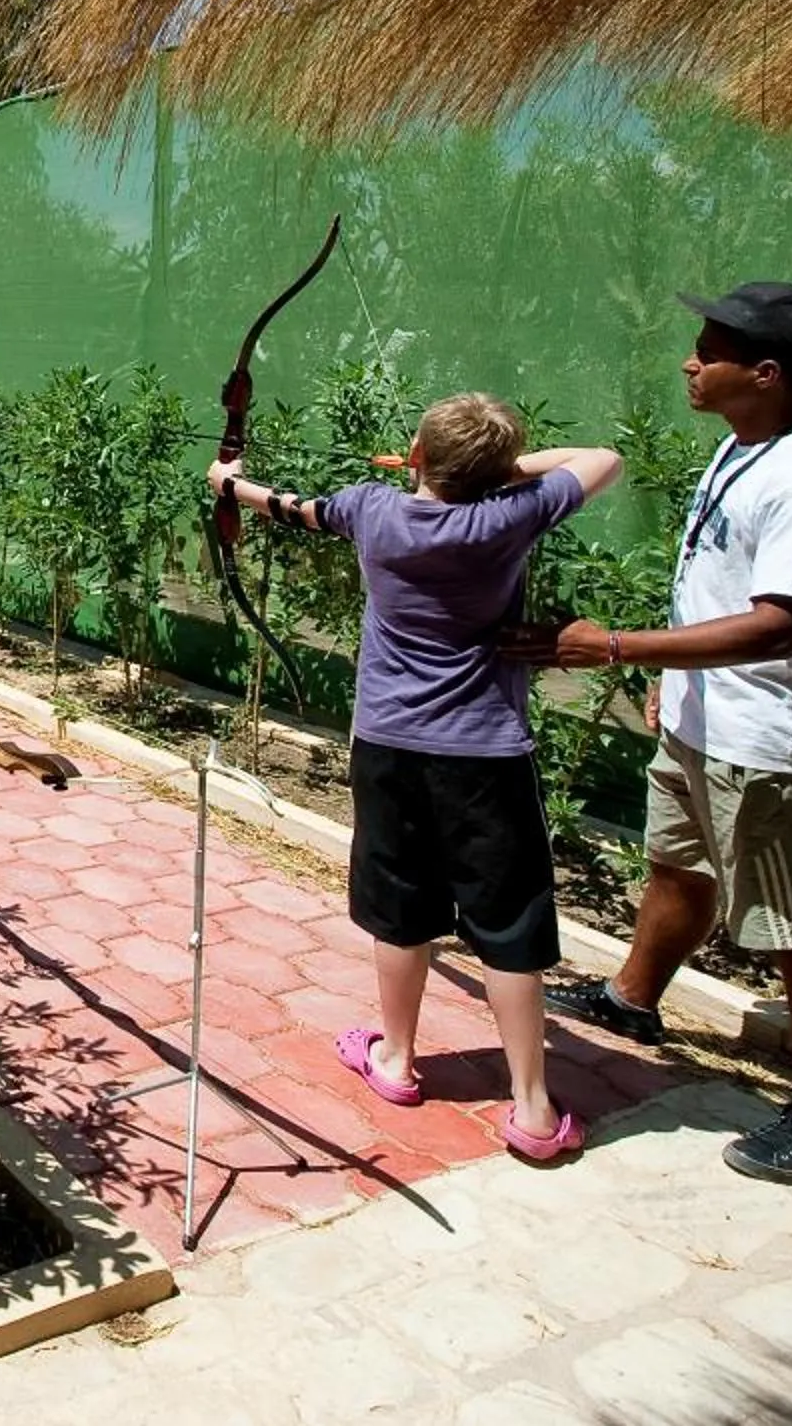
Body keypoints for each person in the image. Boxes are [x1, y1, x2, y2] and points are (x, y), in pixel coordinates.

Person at [509, 281, 792, 1185]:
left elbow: (779, 625)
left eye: (709, 348)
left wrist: (615, 648)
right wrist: (670, 676)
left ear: (765, 372)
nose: (690, 361)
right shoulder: (748, 450)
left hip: (774, 745)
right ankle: (632, 999)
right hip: (705, 718)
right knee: (678, 864)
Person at [212, 397, 621, 1162]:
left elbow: (295, 507)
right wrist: (507, 473)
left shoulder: (372, 509)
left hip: (390, 743)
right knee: (506, 921)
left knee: (399, 904)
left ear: (415, 455)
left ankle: (397, 1061)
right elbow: (602, 457)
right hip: (485, 753)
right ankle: (533, 1109)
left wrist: (229, 484)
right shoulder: (514, 513)